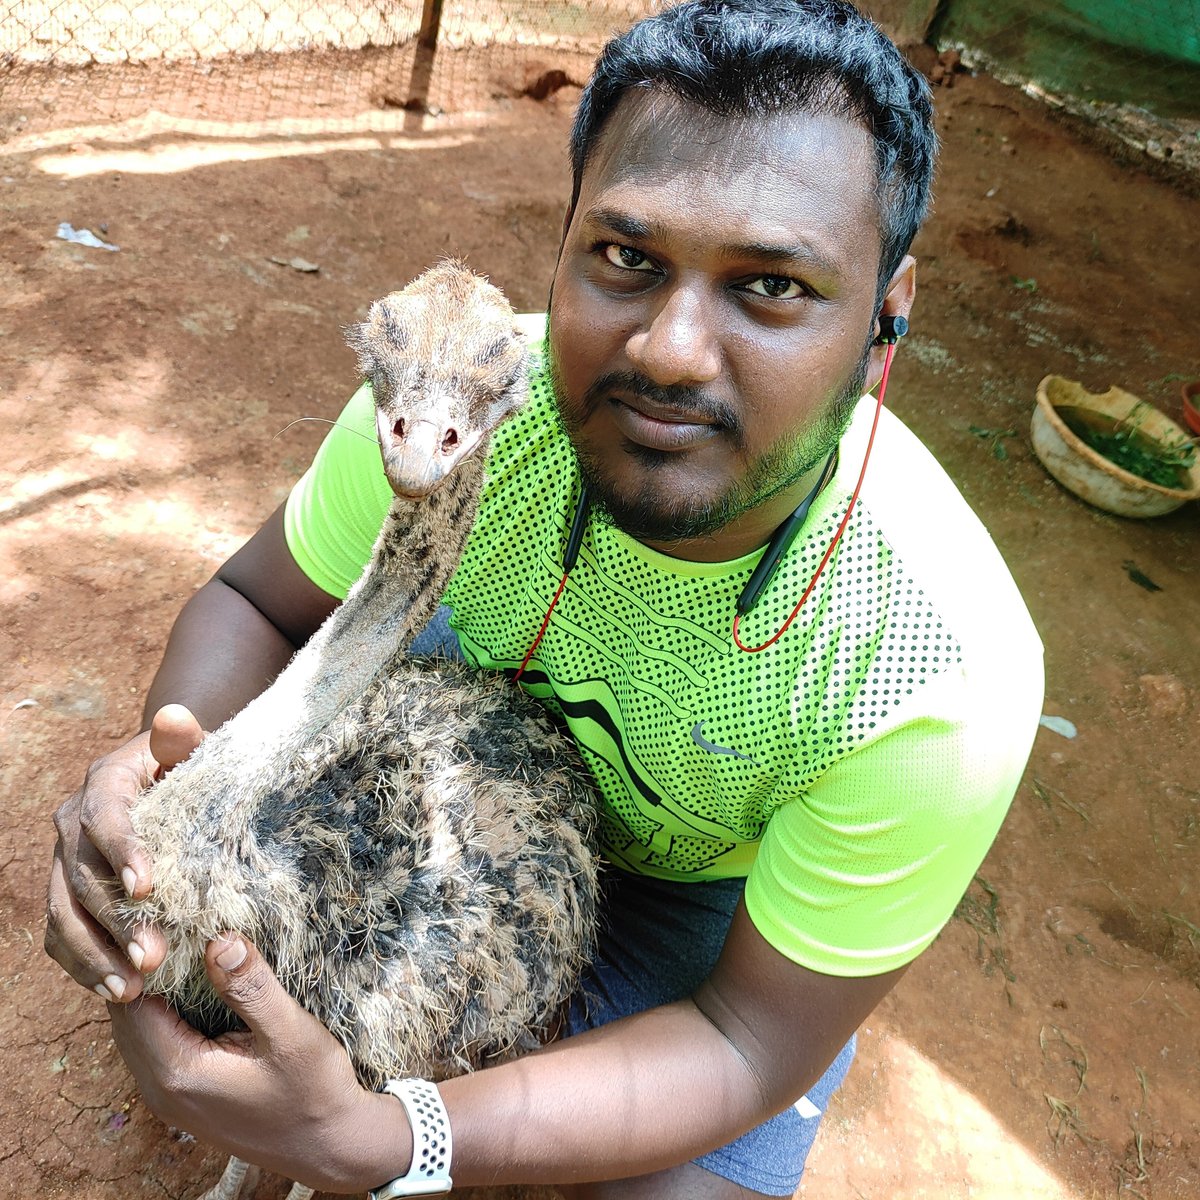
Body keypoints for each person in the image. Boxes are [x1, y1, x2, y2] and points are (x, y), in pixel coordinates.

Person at [44, 2, 1044, 1197]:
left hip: (695, 895)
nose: (669, 350)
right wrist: (163, 824)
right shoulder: (450, 401)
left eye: (772, 285)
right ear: (564, 245)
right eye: (625, 258)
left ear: (888, 313)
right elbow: (257, 606)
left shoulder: (933, 676)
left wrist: (399, 1140)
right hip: (445, 735)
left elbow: (748, 1038)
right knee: (209, 963)